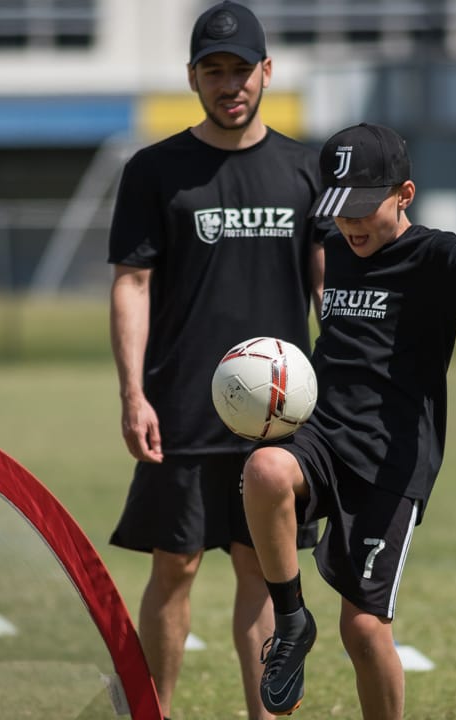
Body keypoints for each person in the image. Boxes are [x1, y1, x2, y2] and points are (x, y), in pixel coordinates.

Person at [242, 122, 456, 718]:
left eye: (363, 208)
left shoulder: (432, 253)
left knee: (362, 629)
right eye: (339, 210)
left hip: (389, 462)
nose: (350, 223)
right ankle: (291, 620)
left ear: (404, 194)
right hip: (322, 433)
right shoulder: (336, 247)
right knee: (264, 471)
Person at [107, 2, 331, 718]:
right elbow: (132, 283)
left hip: (279, 416)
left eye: (241, 70)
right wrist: (133, 395)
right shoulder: (155, 170)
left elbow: (328, 287)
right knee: (175, 566)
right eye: (214, 71)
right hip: (181, 405)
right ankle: (154, 712)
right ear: (192, 77)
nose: (230, 84)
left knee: (263, 572)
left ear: (267, 71)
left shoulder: (305, 170)